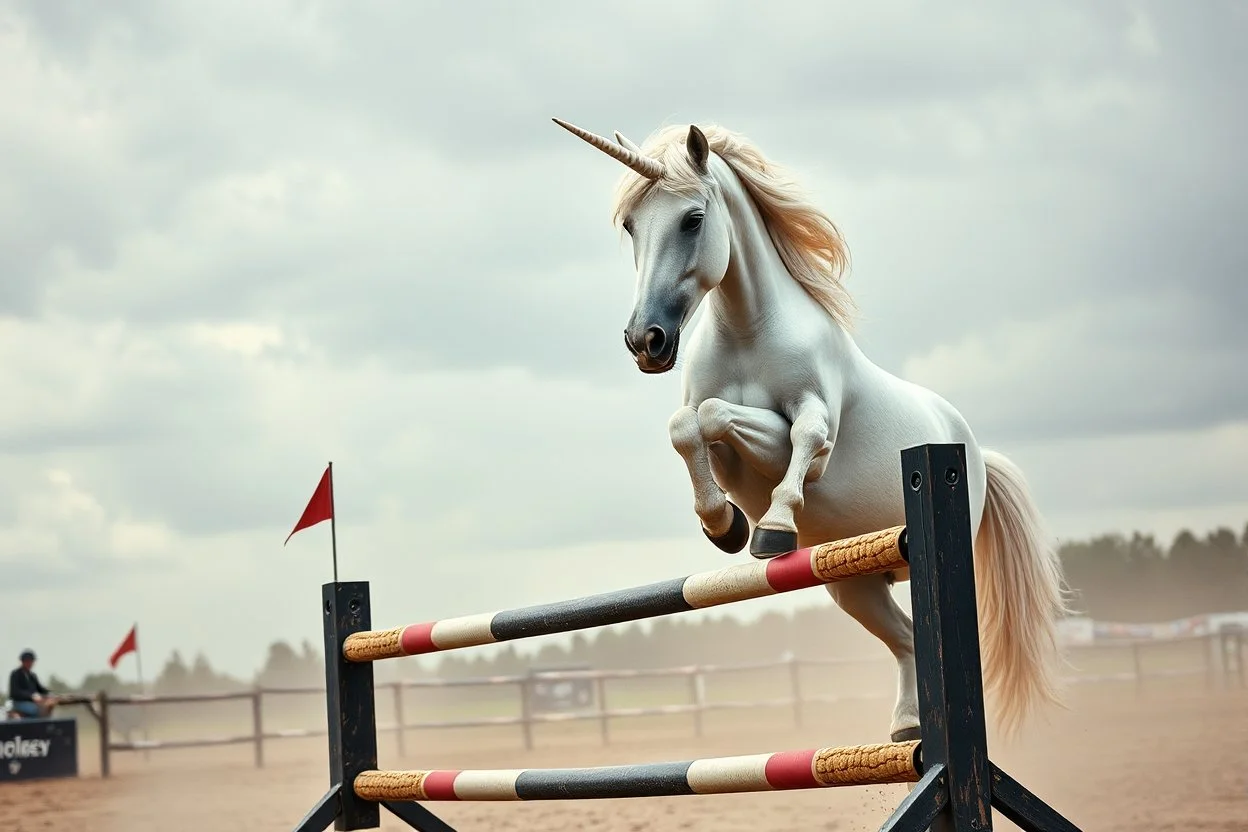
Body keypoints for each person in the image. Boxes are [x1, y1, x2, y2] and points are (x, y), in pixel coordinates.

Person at [8, 648, 57, 718]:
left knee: (46, 708)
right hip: (18, 703)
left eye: (31, 661)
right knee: (35, 710)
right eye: (27, 661)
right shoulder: (15, 674)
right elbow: (15, 692)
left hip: (31, 702)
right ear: (22, 662)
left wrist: (50, 693)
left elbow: (40, 688)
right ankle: (31, 728)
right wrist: (31, 696)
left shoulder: (32, 676)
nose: (29, 663)